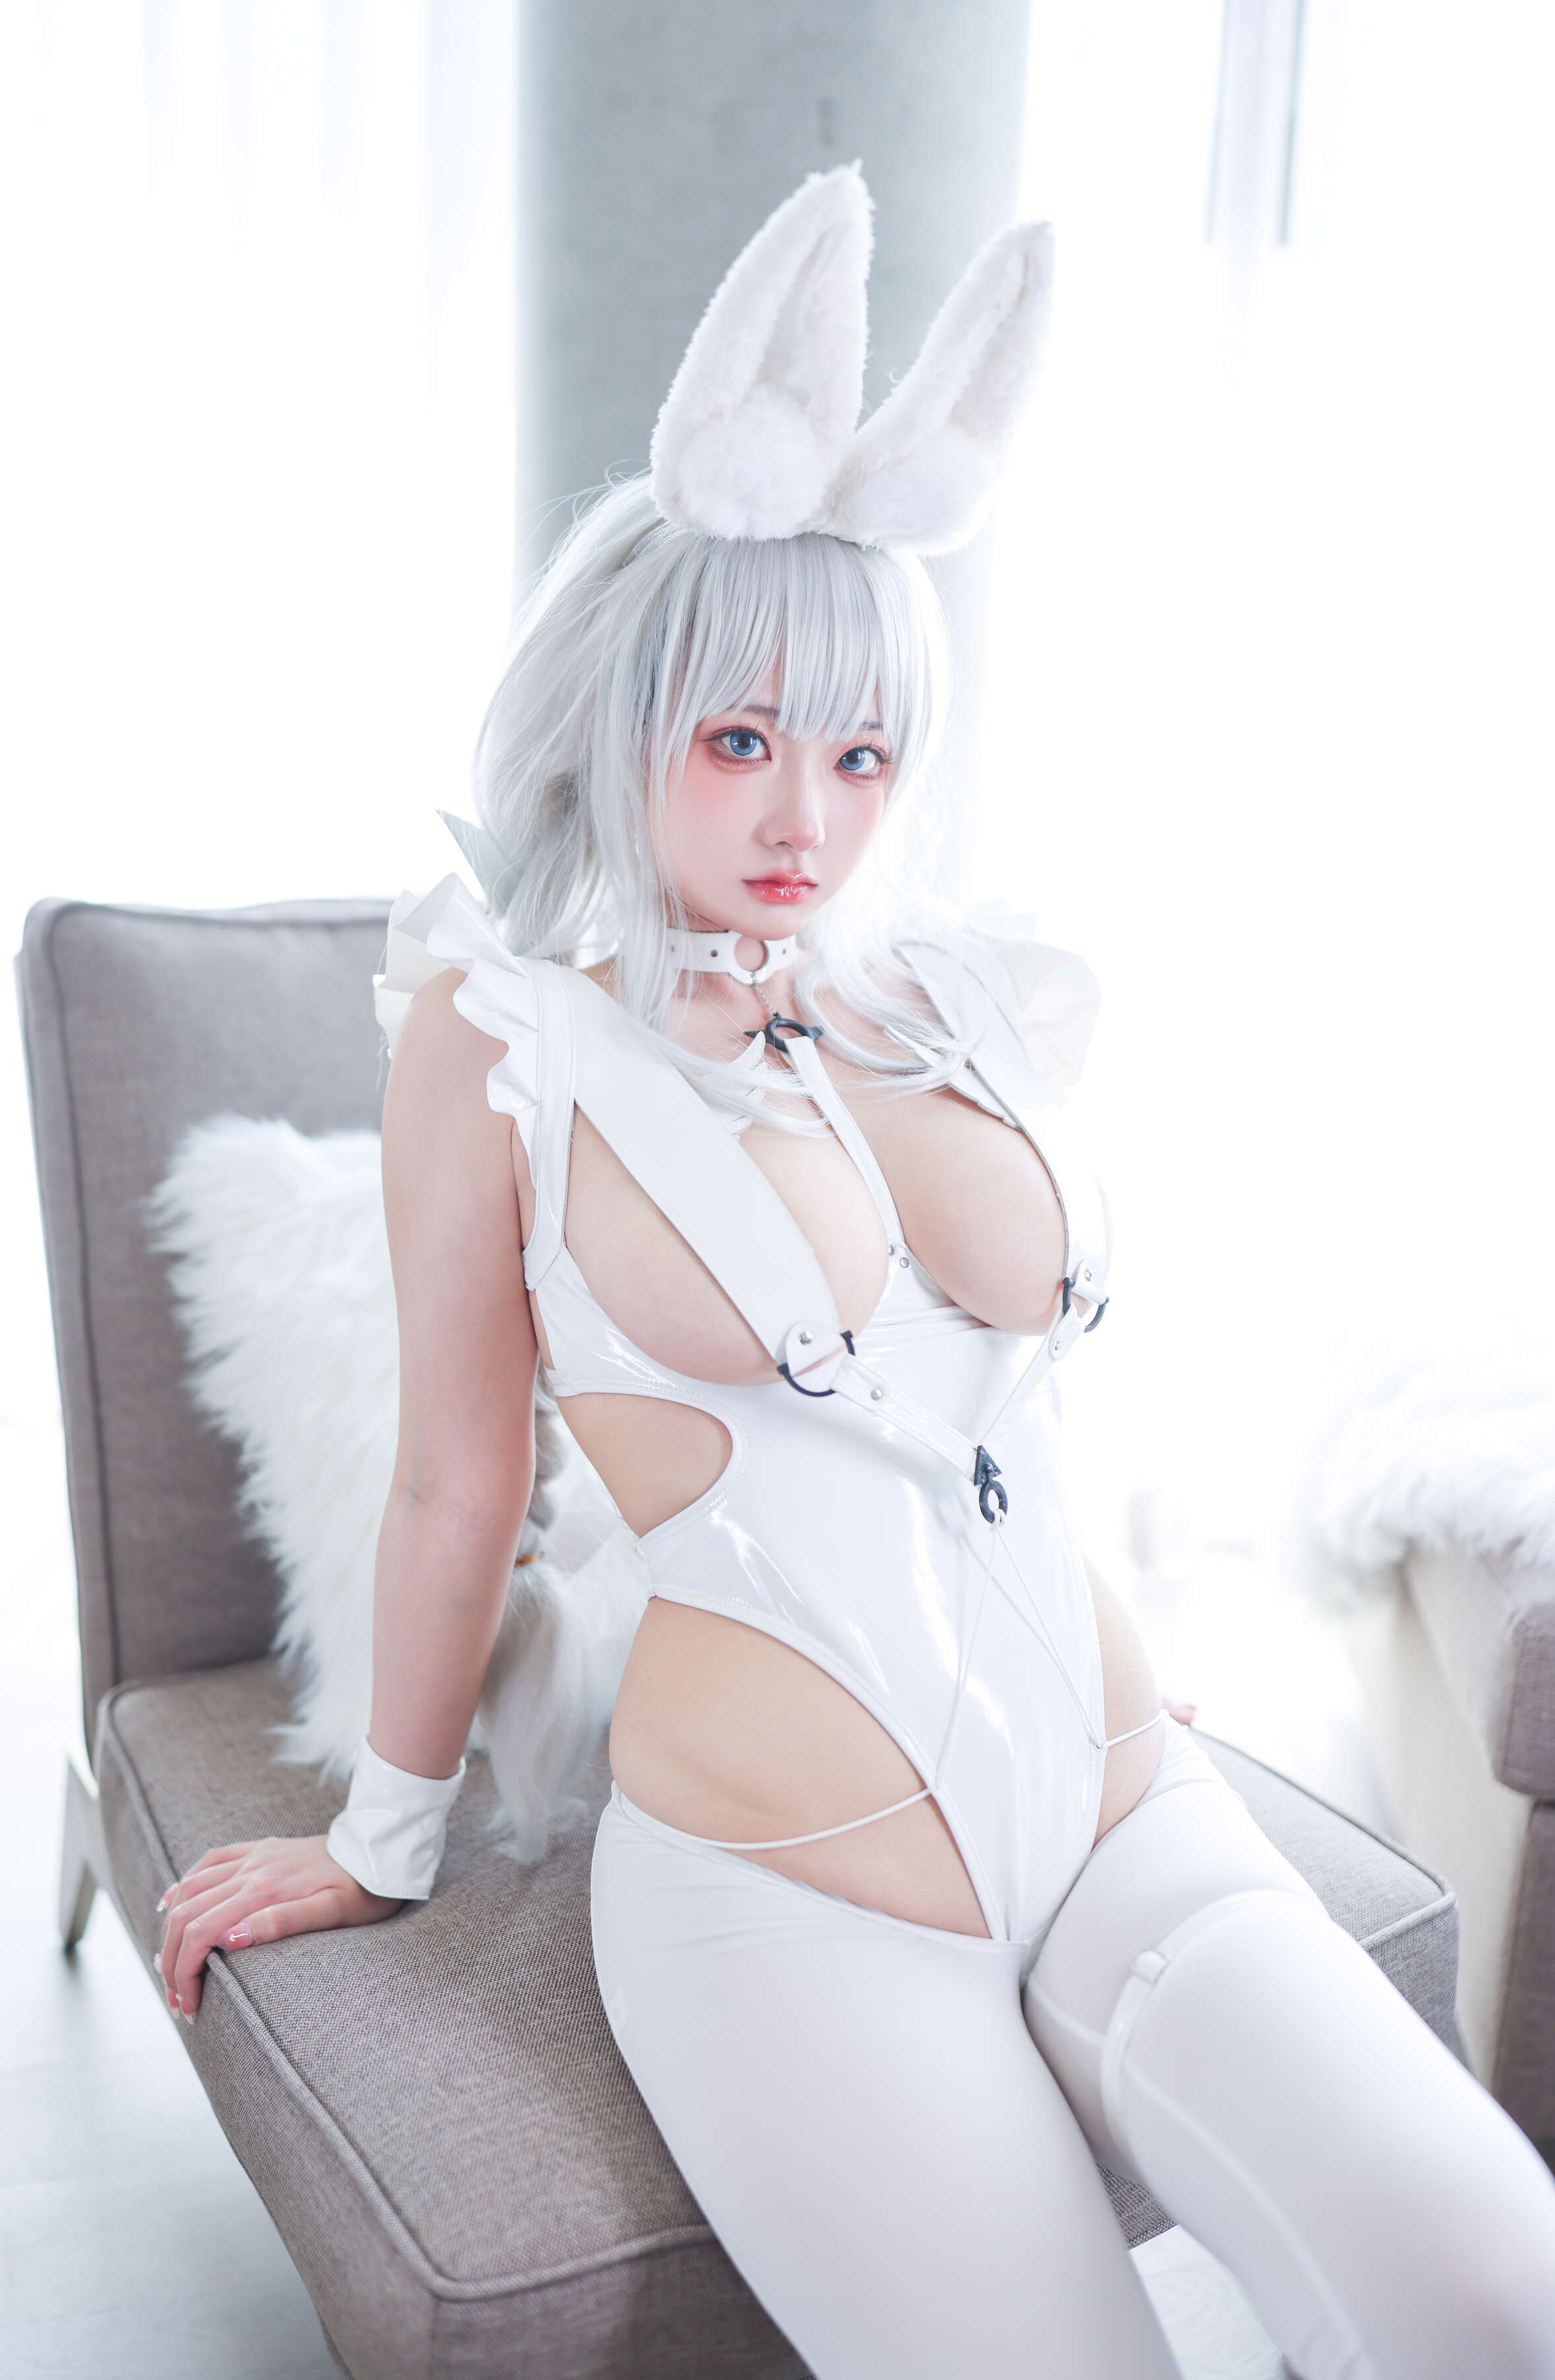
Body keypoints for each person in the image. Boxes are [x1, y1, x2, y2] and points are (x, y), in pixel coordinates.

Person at [155, 171, 1555, 2377]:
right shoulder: (505, 1038)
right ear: (620, 724)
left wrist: (1094, 1631)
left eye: (861, 749)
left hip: (1122, 1808)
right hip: (789, 1899)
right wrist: (385, 1834)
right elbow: (454, 1478)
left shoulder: (953, 988)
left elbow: (1007, 1393)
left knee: (1500, 2289)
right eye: (740, 740)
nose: (806, 812)